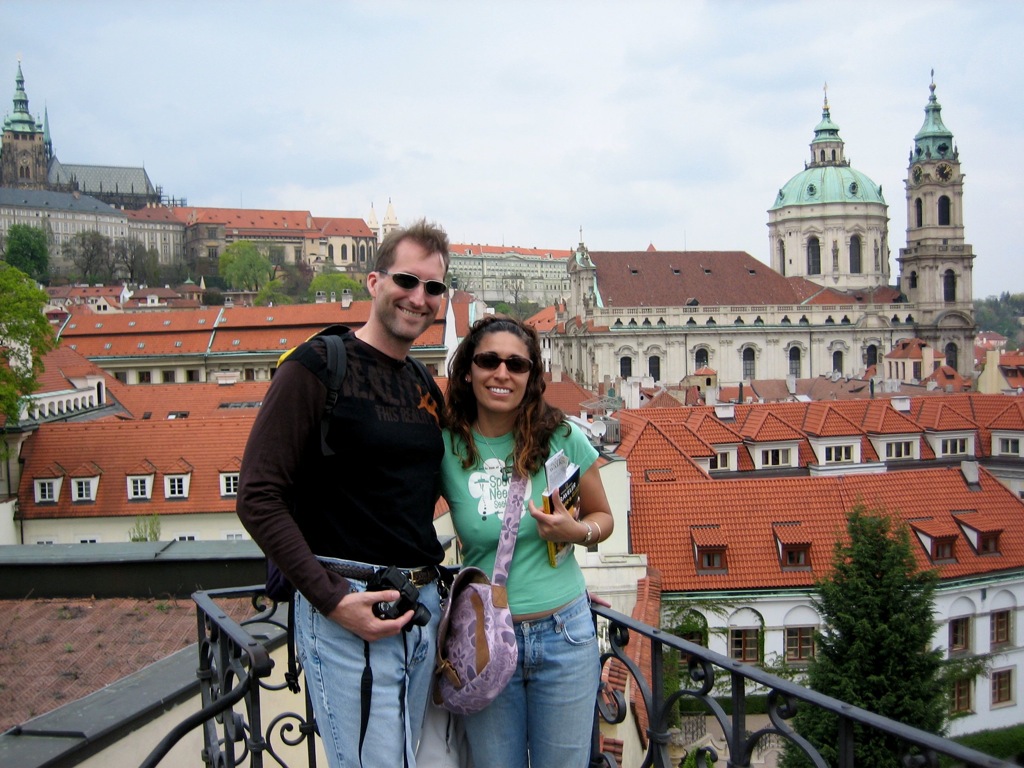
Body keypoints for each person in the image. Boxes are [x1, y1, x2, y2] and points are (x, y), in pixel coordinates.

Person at [237, 219, 451, 768]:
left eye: (433, 287)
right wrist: (330, 598)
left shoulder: (422, 383)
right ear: (374, 281)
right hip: (350, 605)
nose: (419, 297)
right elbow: (257, 495)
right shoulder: (315, 366)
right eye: (407, 280)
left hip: (420, 607)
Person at [440, 315, 614, 768]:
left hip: (563, 635)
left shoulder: (561, 437)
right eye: (489, 361)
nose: (502, 373)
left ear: (531, 376)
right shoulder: (446, 446)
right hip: (484, 641)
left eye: (516, 365)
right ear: (468, 370)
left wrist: (577, 532)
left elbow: (604, 517)